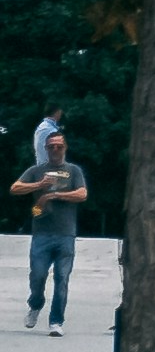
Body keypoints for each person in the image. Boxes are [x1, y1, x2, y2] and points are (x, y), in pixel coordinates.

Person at [16, 132, 82, 333]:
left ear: (65, 148)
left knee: (62, 278)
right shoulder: (37, 171)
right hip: (41, 230)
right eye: (51, 146)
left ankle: (56, 321)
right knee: (38, 275)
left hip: (65, 234)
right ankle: (36, 304)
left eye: (59, 146)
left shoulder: (73, 171)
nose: (55, 149)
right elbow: (15, 188)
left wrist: (54, 194)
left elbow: (82, 193)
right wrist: (39, 186)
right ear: (45, 148)